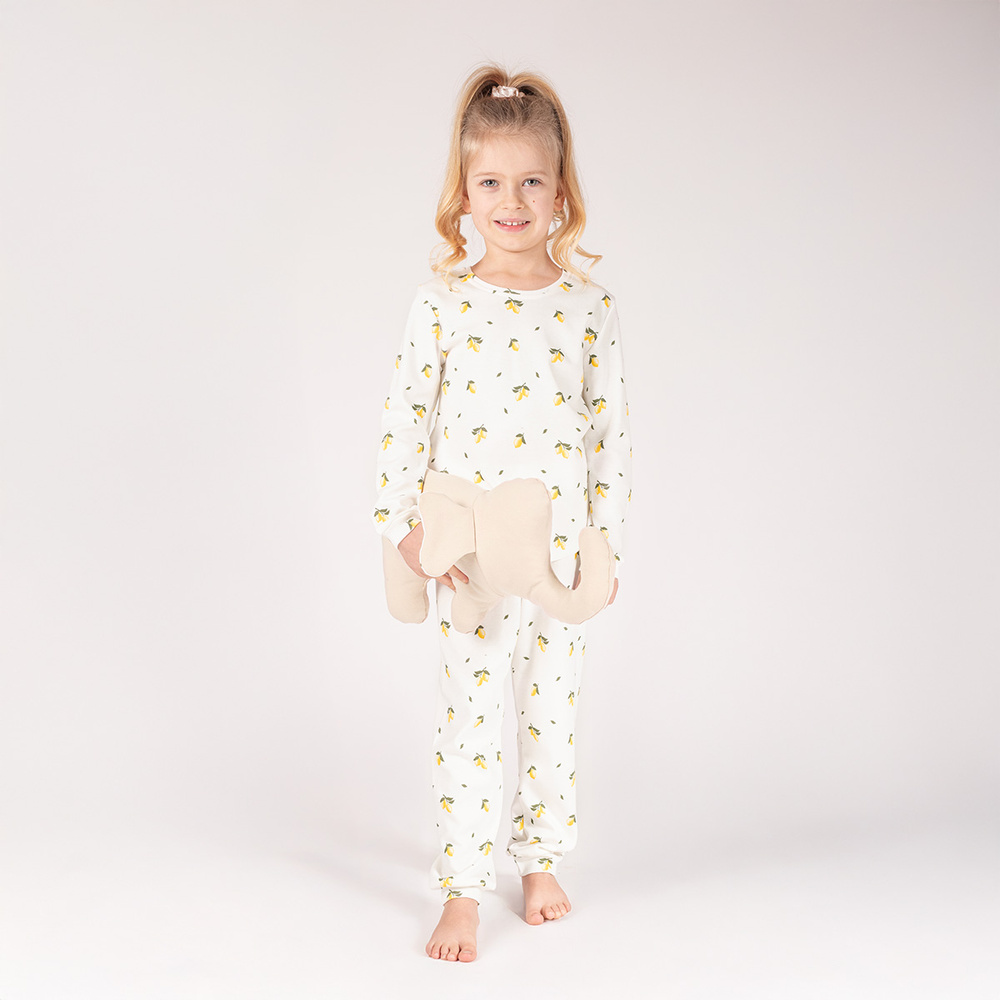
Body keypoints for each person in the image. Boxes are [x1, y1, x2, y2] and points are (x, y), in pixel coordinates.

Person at [371, 64, 632, 962]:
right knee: (472, 717)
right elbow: (404, 420)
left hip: (555, 561)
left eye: (530, 182)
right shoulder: (442, 304)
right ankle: (461, 888)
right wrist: (406, 530)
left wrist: (604, 548)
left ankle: (541, 859)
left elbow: (610, 434)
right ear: (464, 191)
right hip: (469, 555)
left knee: (551, 711)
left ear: (560, 192)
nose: (510, 202)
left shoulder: (590, 310)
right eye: (490, 182)